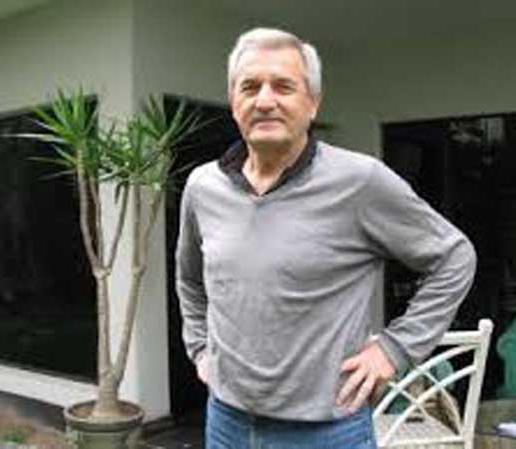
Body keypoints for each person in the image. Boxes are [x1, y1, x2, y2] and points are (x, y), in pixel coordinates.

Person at [176, 27, 476, 449]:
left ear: (312, 102)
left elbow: (454, 257)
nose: (265, 100)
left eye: (283, 86)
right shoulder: (203, 186)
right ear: (234, 101)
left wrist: (394, 349)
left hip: (328, 431)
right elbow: (190, 279)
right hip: (226, 423)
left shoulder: (361, 182)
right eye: (250, 87)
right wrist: (199, 349)